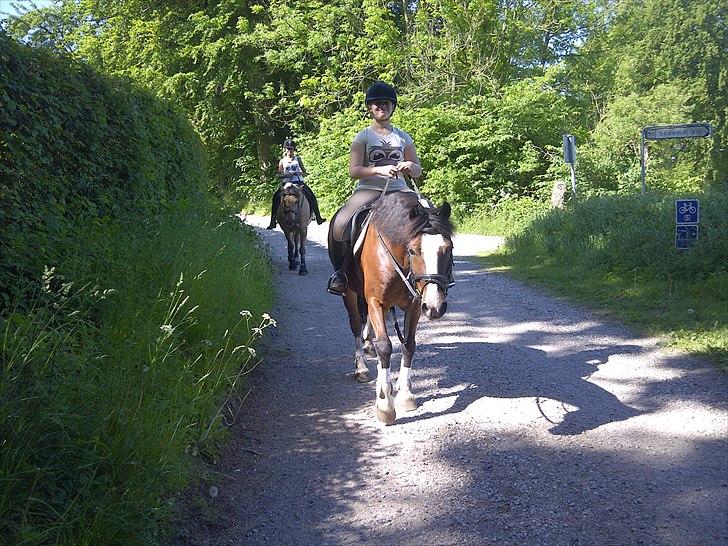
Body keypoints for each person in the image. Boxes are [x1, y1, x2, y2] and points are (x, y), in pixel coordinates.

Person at [327, 81, 423, 295]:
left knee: (431, 218)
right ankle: (341, 274)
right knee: (341, 223)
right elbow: (354, 171)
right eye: (377, 104)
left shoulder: (403, 137)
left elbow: (418, 170)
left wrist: (410, 166)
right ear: (370, 108)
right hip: (369, 190)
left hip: (400, 190)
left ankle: (437, 274)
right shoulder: (363, 136)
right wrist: (378, 171)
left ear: (393, 106)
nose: (382, 107)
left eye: (387, 103)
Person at [267, 139, 326, 229]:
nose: (289, 151)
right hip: (286, 183)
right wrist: (287, 175)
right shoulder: (282, 161)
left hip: (298, 182)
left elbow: (305, 172)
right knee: (276, 197)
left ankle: (317, 217)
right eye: (288, 149)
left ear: (294, 149)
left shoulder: (298, 159)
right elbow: (279, 175)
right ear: (285, 149)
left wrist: (298, 173)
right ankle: (273, 220)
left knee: (311, 195)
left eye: (291, 149)